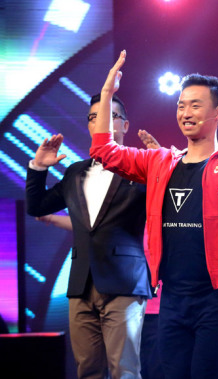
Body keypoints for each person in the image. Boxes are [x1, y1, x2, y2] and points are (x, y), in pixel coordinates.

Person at [89, 43, 218, 379]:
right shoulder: (158, 162)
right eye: (181, 105)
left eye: (195, 105)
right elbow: (104, 151)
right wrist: (108, 92)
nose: (185, 112)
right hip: (173, 295)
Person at [26, 93, 151, 378]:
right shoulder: (75, 172)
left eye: (110, 115)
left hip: (125, 283)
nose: (101, 122)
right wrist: (39, 167)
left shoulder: (142, 166)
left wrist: (162, 168)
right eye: (94, 117)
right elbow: (36, 206)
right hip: (81, 283)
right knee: (87, 369)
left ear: (125, 125)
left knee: (125, 369)